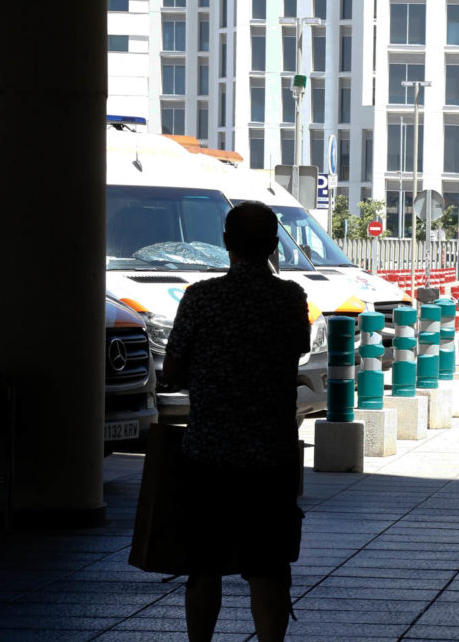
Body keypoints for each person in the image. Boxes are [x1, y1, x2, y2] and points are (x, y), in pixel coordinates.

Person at [162, 202, 310, 642]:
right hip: (272, 455)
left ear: (226, 243)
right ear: (274, 245)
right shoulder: (290, 298)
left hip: (208, 452)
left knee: (203, 567)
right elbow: (295, 352)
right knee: (267, 568)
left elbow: (172, 371)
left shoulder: (200, 297)